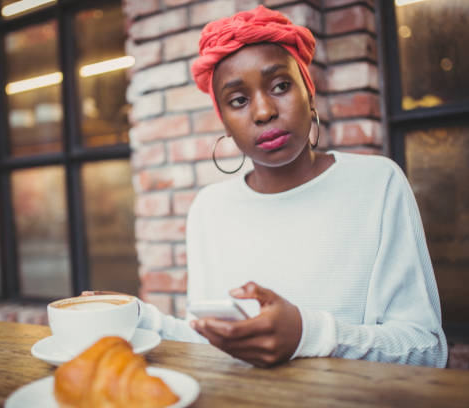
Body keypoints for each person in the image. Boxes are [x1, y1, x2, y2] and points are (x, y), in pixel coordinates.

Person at [95, 5, 448, 368]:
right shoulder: (209, 209)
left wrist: (309, 335)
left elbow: (427, 349)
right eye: (238, 100)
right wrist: (136, 315)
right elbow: (211, 339)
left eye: (280, 86)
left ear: (309, 93)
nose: (263, 111)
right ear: (226, 124)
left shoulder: (377, 184)